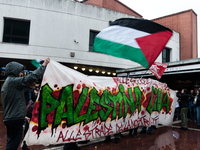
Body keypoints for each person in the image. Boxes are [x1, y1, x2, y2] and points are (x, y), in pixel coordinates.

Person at [1, 58, 50, 150]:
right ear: (14, 71)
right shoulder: (13, 81)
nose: (21, 74)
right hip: (14, 119)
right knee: (13, 144)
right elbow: (31, 77)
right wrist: (44, 64)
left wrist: (23, 116)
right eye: (20, 72)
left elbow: (14, 104)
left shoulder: (9, 83)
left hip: (11, 118)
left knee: (12, 142)